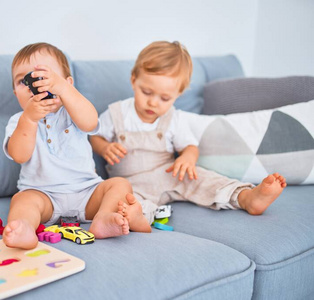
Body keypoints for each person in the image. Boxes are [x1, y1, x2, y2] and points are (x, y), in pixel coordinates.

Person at [90, 41, 287, 224]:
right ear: (134, 80)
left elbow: (189, 147)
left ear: (178, 94)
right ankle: (138, 218)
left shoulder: (174, 119)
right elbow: (94, 137)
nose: (153, 102)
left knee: (203, 179)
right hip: (130, 183)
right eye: (147, 92)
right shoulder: (116, 113)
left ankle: (246, 198)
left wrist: (188, 159)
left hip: (169, 173)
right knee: (122, 199)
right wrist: (104, 147)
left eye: (165, 98)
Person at [2, 43, 151, 249]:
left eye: (44, 77)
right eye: (22, 81)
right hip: (43, 196)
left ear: (67, 84)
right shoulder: (18, 120)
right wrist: (29, 119)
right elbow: (19, 155)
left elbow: (90, 122)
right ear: (15, 92)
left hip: (87, 192)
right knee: (22, 201)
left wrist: (63, 90)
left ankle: (103, 218)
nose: (33, 86)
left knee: (118, 184)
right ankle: (25, 228)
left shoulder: (73, 111)